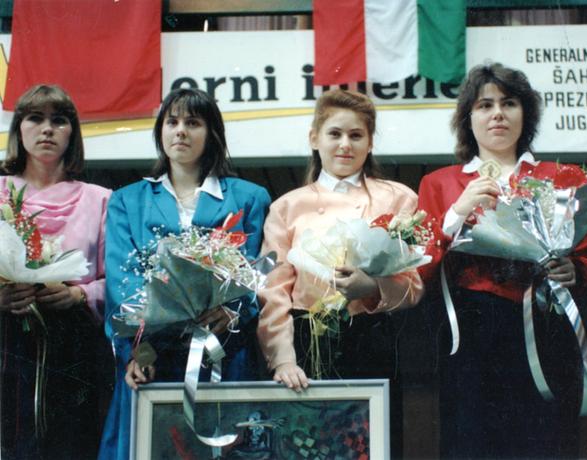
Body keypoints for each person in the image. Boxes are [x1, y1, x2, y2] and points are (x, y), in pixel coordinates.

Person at [417, 63, 587, 458]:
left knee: (547, 441)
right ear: (468, 119)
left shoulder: (560, 177)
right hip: (471, 334)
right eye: (485, 105)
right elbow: (421, 265)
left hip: (545, 329)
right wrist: (458, 210)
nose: (497, 114)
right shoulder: (441, 183)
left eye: (509, 103)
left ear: (525, 114)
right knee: (472, 441)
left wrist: (574, 270)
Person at [98, 88, 271, 460]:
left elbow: (256, 273)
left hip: (222, 352)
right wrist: (136, 352)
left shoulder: (249, 197)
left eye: (193, 123)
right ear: (160, 131)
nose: (180, 131)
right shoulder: (127, 200)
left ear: (212, 133)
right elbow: (121, 282)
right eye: (172, 122)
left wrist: (231, 312)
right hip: (152, 357)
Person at [257, 89, 424, 388]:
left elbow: (414, 285)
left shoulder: (398, 198)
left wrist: (372, 287)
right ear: (314, 138)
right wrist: (283, 358)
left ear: (370, 143)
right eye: (334, 134)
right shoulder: (287, 206)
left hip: (373, 337)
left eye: (356, 135)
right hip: (304, 341)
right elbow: (273, 290)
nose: (345, 144)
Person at [0, 85, 112, 459]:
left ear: (72, 133)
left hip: (74, 345)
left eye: (59, 120)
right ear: (18, 129)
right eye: (35, 118)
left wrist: (80, 294)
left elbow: (118, 280)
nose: (47, 129)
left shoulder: (101, 199)